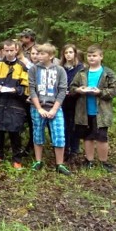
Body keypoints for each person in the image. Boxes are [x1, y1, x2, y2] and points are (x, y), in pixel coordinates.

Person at [69, 45, 116, 172]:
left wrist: (100, 92)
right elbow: (72, 87)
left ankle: (104, 162)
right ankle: (89, 161)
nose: (91, 58)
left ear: (101, 56)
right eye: (89, 56)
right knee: (87, 137)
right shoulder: (82, 73)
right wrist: (78, 90)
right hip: (84, 111)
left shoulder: (108, 73)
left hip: (101, 111)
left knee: (102, 137)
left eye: (94, 55)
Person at [28, 44, 70, 175]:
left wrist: (54, 109)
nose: (39, 56)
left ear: (51, 56)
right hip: (38, 107)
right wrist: (39, 108)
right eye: (38, 53)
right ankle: (38, 161)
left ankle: (60, 164)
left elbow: (63, 90)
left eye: (42, 54)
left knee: (59, 135)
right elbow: (32, 89)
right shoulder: (33, 69)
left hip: (55, 108)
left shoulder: (60, 70)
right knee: (38, 134)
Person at [0, 40, 29, 169]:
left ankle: (17, 159)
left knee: (14, 131)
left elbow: (26, 88)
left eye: (12, 50)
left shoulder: (22, 66)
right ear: (2, 51)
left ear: (16, 50)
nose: (9, 53)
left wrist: (15, 90)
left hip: (15, 103)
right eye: (7, 50)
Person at [61, 44, 84, 162]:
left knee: (74, 125)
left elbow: (82, 84)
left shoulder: (80, 68)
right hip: (63, 101)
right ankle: (65, 149)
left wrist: (72, 91)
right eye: (66, 53)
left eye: (70, 52)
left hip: (76, 100)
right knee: (64, 125)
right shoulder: (61, 67)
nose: (68, 55)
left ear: (75, 53)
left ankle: (74, 150)